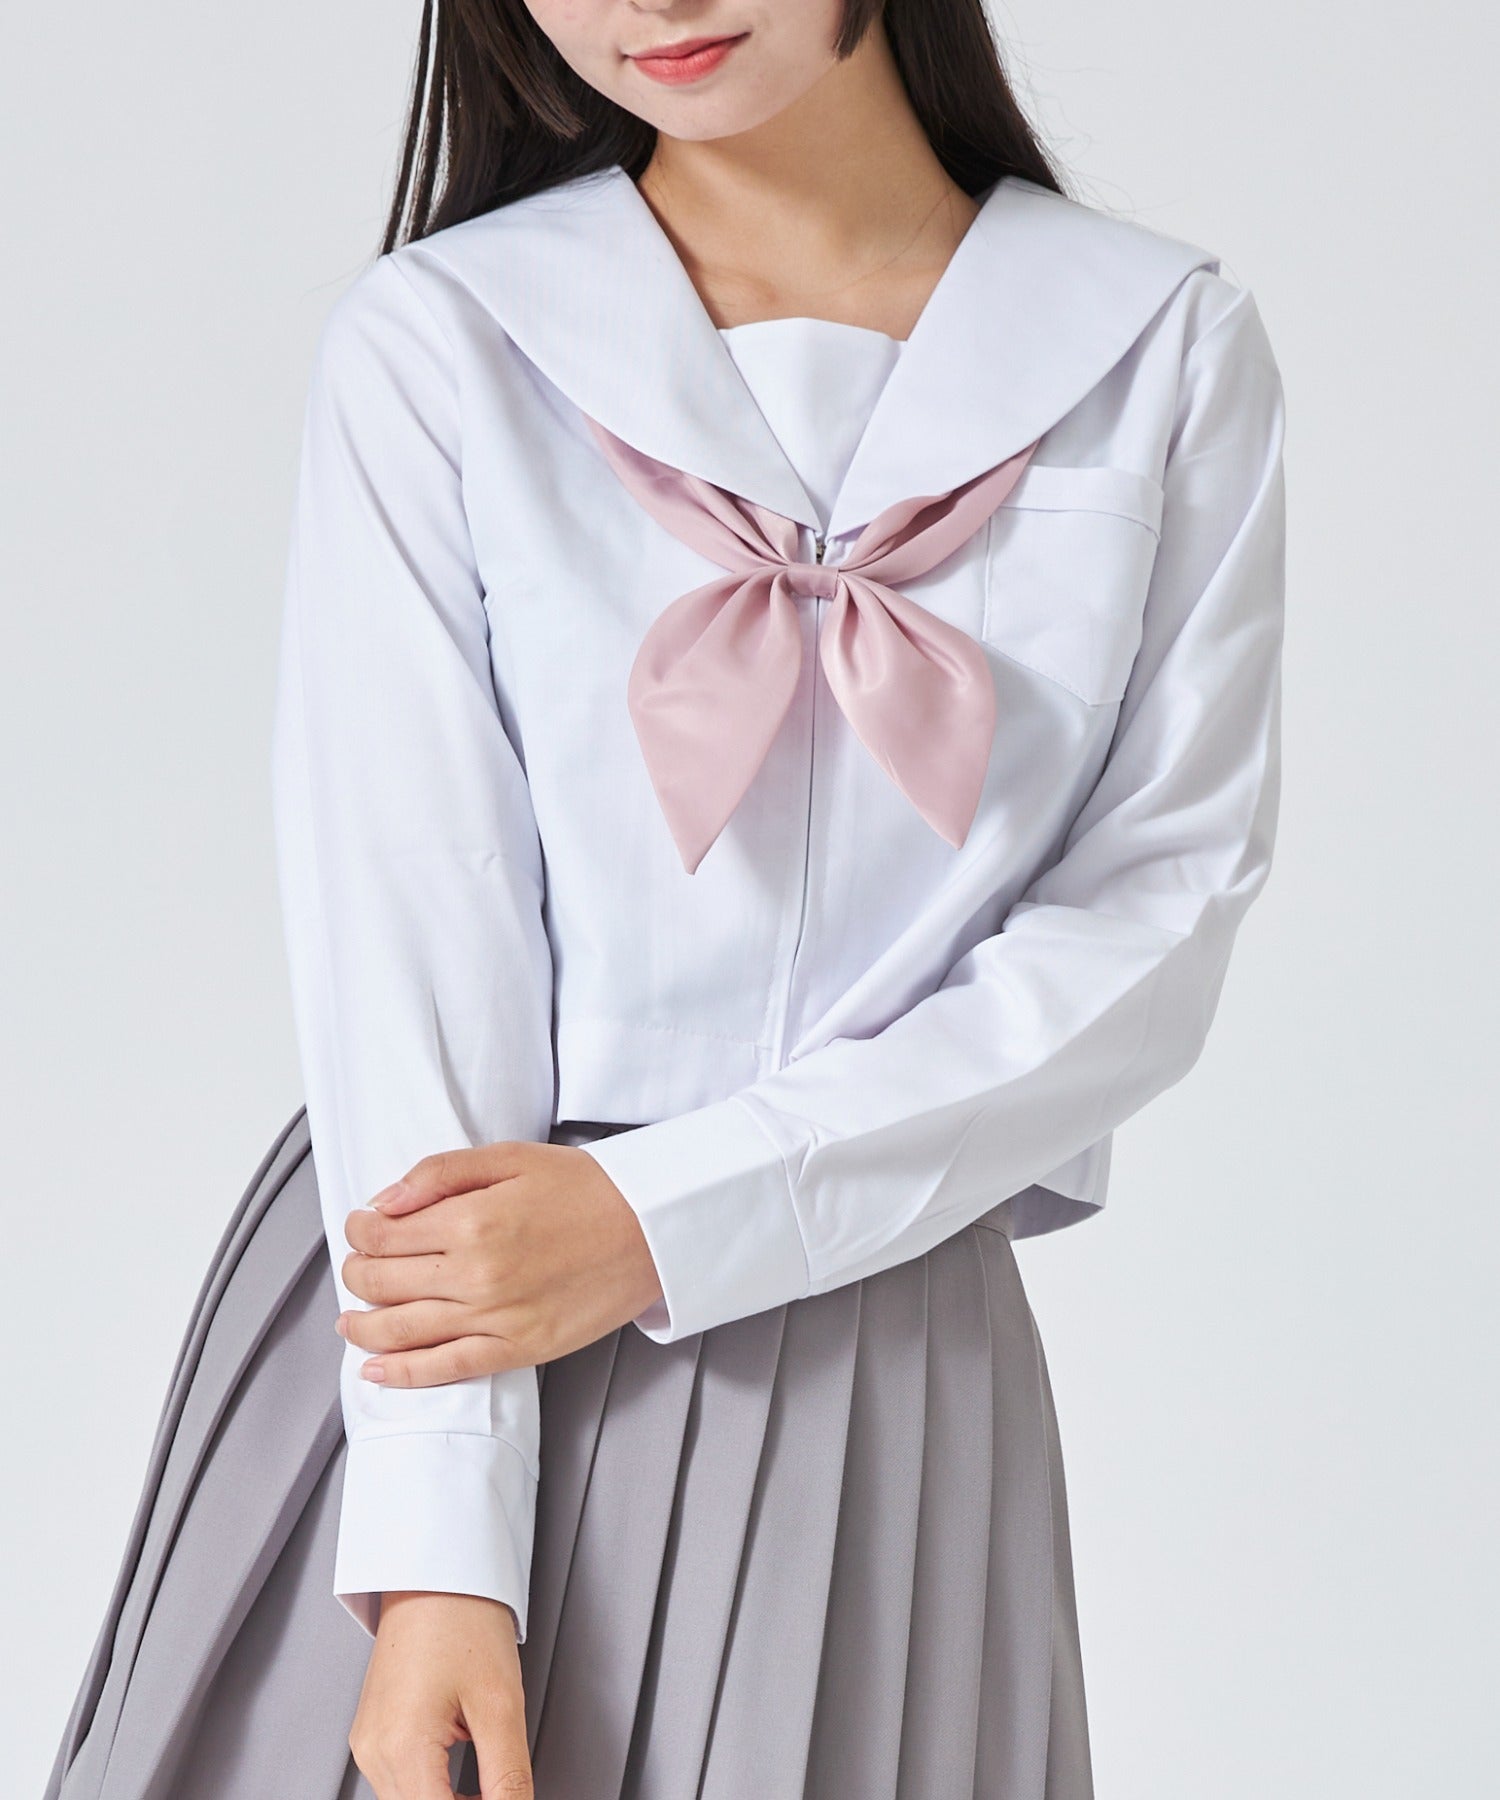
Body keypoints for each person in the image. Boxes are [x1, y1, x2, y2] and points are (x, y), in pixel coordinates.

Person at [44, 2, 1286, 1796]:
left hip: (883, 1368)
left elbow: (1152, 922)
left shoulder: (1158, 345)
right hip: (452, 1308)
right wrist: (435, 1547)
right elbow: (416, 926)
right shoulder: (445, 341)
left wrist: (674, 1215)